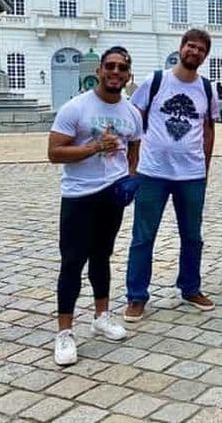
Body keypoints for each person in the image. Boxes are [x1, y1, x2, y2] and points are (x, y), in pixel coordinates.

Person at [48, 46, 142, 366]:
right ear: (99, 70)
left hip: (112, 195)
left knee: (102, 257)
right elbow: (54, 152)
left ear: (128, 75)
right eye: (110, 66)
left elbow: (134, 146)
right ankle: (64, 332)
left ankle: (101, 316)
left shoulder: (131, 113)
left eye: (122, 68)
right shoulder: (76, 108)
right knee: (72, 262)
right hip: (79, 195)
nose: (116, 72)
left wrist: (131, 177)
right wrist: (94, 147)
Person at [124, 29, 218, 322]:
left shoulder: (206, 88)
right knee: (143, 236)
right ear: (181, 47)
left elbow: (209, 129)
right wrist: (132, 166)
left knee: (192, 236)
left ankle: (190, 287)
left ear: (205, 55)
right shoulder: (156, 81)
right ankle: (136, 295)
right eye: (191, 46)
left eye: (201, 49)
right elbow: (134, 123)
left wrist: (205, 167)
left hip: (191, 174)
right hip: (152, 172)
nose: (195, 52)